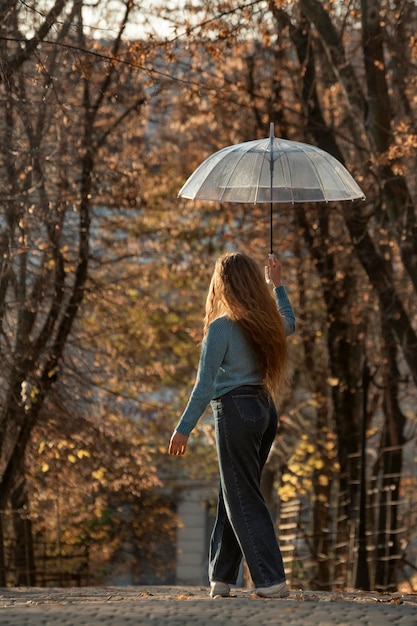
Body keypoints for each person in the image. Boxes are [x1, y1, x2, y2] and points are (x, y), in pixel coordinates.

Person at [169, 251, 296, 598]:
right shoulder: (265, 323)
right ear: (254, 283)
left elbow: (204, 385)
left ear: (222, 285)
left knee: (241, 495)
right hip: (264, 411)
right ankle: (221, 577)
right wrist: (278, 287)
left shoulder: (221, 328)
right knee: (234, 491)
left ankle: (271, 580)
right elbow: (290, 321)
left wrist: (183, 428)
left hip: (236, 413)